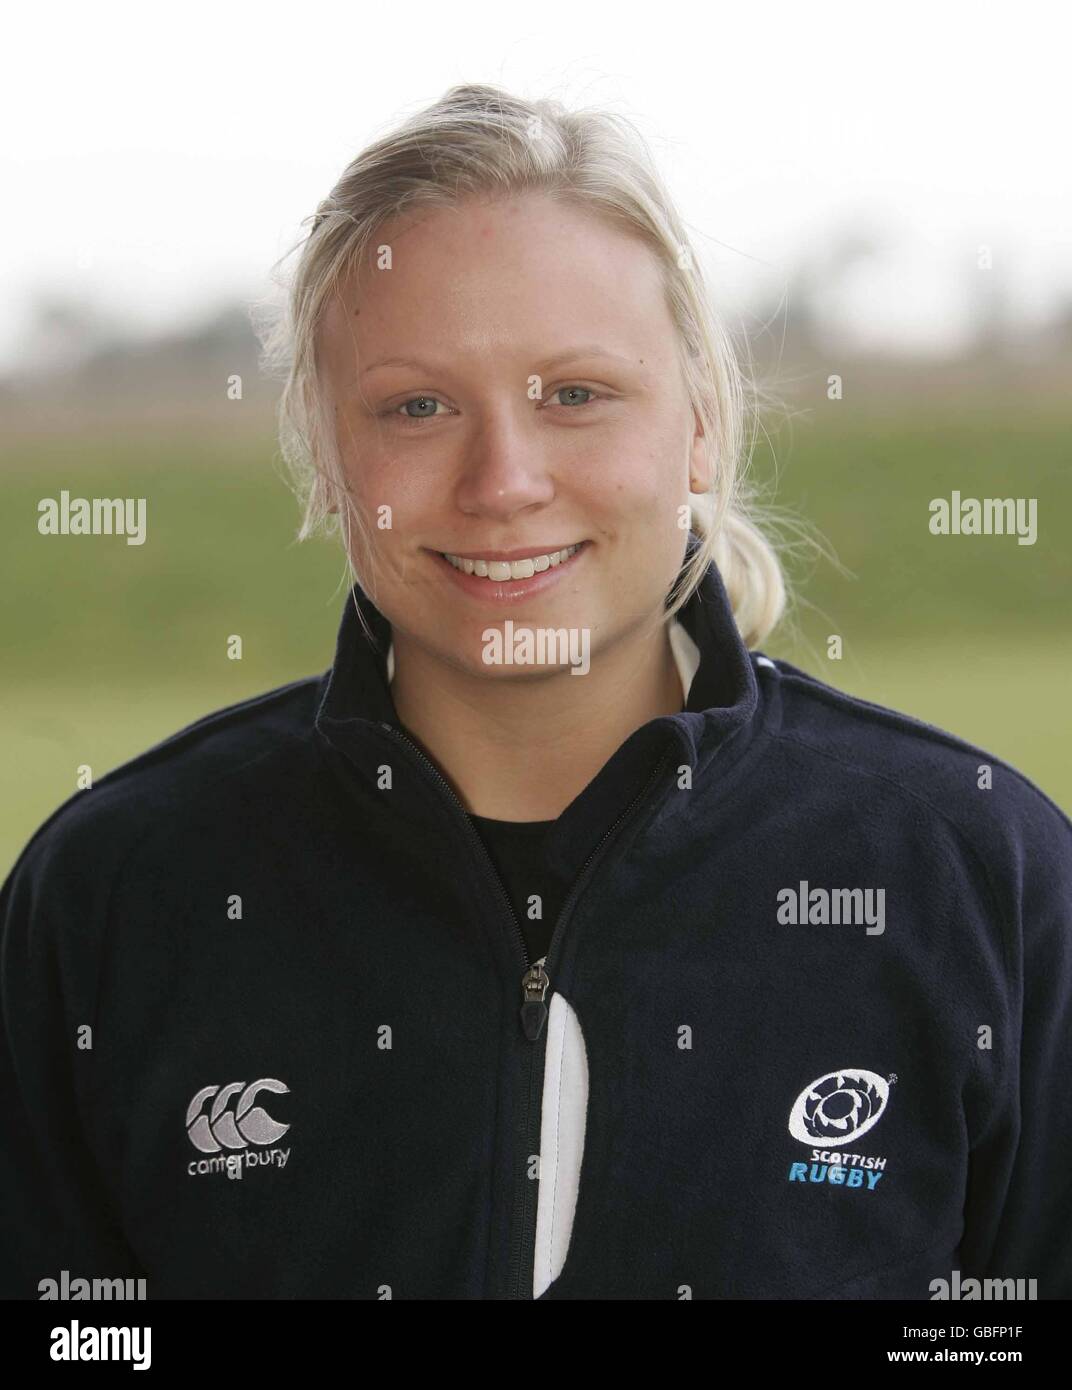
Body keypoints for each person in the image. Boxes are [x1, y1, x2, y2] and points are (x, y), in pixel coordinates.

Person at [2, 83, 1069, 1301]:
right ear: (324, 451)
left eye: (575, 394)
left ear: (703, 425)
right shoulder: (115, 894)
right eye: (417, 406)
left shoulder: (976, 875)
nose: (503, 480)